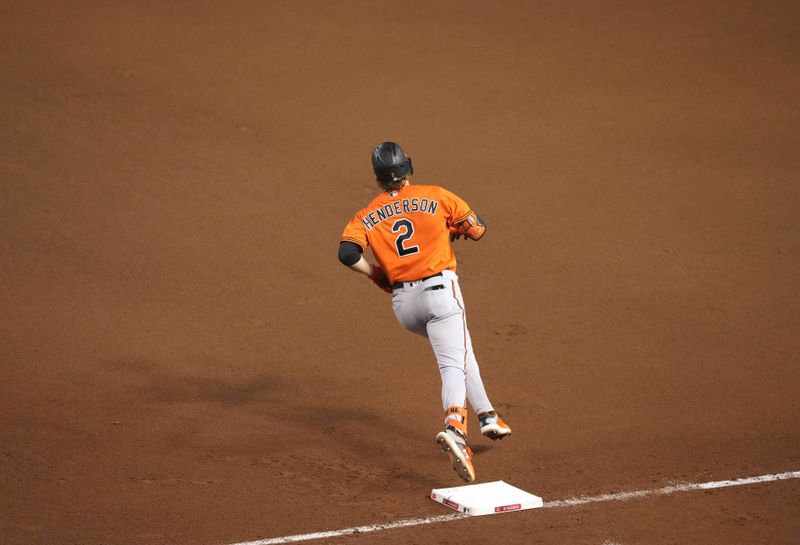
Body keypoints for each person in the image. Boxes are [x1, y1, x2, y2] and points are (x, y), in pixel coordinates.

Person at [338, 142, 511, 482]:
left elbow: (346, 253)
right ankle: (455, 429)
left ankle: (488, 415)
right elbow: (478, 229)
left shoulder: (366, 214)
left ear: (378, 180)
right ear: (408, 170)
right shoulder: (437, 195)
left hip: (405, 307)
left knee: (460, 351)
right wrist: (453, 229)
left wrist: (375, 274)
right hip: (440, 296)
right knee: (451, 362)